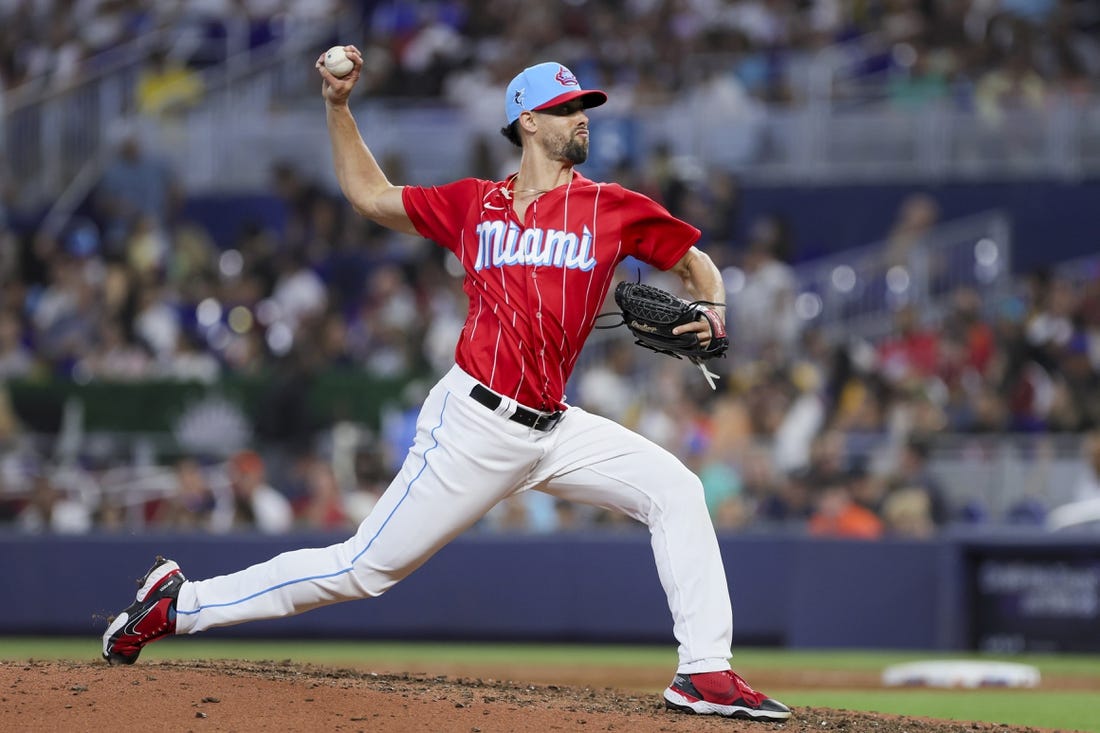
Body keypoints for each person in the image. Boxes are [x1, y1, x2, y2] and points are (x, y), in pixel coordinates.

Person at [101, 52, 791, 722]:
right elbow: (370, 195)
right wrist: (338, 107)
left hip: (556, 427)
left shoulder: (612, 207)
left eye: (584, 106)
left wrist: (714, 309)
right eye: (566, 108)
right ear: (527, 122)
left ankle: (704, 670)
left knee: (676, 489)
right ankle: (179, 604)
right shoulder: (472, 204)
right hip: (474, 423)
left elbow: (695, 262)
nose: (582, 117)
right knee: (364, 568)